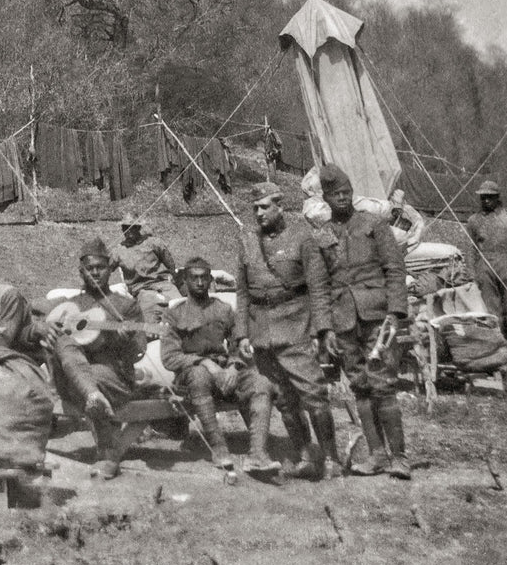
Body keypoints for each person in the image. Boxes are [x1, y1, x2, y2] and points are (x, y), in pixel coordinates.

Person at [235, 182, 340, 479]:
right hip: (261, 332)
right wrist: (242, 333)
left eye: (265, 207)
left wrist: (323, 330)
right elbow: (242, 292)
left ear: (280, 207)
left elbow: (318, 289)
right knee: (283, 399)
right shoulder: (246, 240)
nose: (259, 213)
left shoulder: (302, 238)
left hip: (295, 326)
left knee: (314, 395)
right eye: (255, 208)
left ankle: (331, 458)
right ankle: (306, 453)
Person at [314, 165, 411, 479]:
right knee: (360, 387)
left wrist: (396, 312)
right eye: (335, 194)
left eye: (346, 192)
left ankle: (399, 458)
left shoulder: (375, 225)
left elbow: (395, 270)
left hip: (377, 317)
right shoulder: (321, 234)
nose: (342, 198)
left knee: (383, 384)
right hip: (343, 321)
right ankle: (376, 455)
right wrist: (324, 328)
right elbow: (319, 286)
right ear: (325, 197)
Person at [161, 257, 279, 474]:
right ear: (185, 281)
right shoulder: (175, 313)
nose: (199, 283)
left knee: (261, 383)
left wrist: (234, 367)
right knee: (199, 376)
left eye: (203, 278)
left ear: (210, 280)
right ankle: (219, 448)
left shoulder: (223, 309)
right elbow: (169, 356)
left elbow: (238, 345)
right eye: (194, 278)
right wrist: (204, 362)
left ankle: (257, 454)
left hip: (225, 371)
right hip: (190, 379)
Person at [45, 237, 148, 479]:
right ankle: (92, 394)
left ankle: (107, 455)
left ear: (110, 269)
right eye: (89, 268)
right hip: (71, 379)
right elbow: (41, 319)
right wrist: (46, 332)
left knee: (98, 376)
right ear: (81, 272)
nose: (95, 273)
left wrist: (124, 340)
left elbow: (138, 352)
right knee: (60, 338)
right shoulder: (70, 305)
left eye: (100, 267)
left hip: (114, 378)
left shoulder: (126, 306)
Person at [466, 180, 507, 360]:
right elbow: (471, 249)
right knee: (491, 312)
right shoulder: (474, 220)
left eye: (490, 197)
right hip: (485, 266)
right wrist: (472, 274)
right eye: (483, 198)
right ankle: (497, 353)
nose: (486, 201)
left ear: (498, 198)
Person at [111, 221, 179, 324]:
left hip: (163, 284)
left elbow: (170, 263)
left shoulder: (154, 243)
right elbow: (106, 268)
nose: (128, 231)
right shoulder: (118, 251)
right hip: (141, 289)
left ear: (138, 228)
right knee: (151, 312)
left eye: (131, 228)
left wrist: (172, 278)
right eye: (124, 228)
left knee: (180, 305)